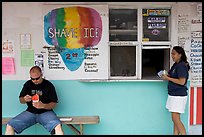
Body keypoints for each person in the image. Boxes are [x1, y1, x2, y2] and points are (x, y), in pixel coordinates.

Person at [5, 66, 64, 135]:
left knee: (58, 126)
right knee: (10, 125)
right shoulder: (28, 84)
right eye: (32, 79)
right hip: (30, 112)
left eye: (37, 78)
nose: (35, 81)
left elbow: (54, 104)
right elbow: (21, 100)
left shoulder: (49, 85)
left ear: (41, 75)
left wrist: (43, 105)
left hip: (45, 112)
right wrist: (24, 99)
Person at [162, 46, 190, 135]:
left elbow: (182, 82)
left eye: (174, 54)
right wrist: (167, 75)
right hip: (174, 94)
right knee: (175, 119)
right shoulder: (176, 65)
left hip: (179, 95)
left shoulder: (181, 66)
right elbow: (173, 76)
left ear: (180, 55)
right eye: (171, 54)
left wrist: (168, 78)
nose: (172, 56)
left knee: (175, 118)